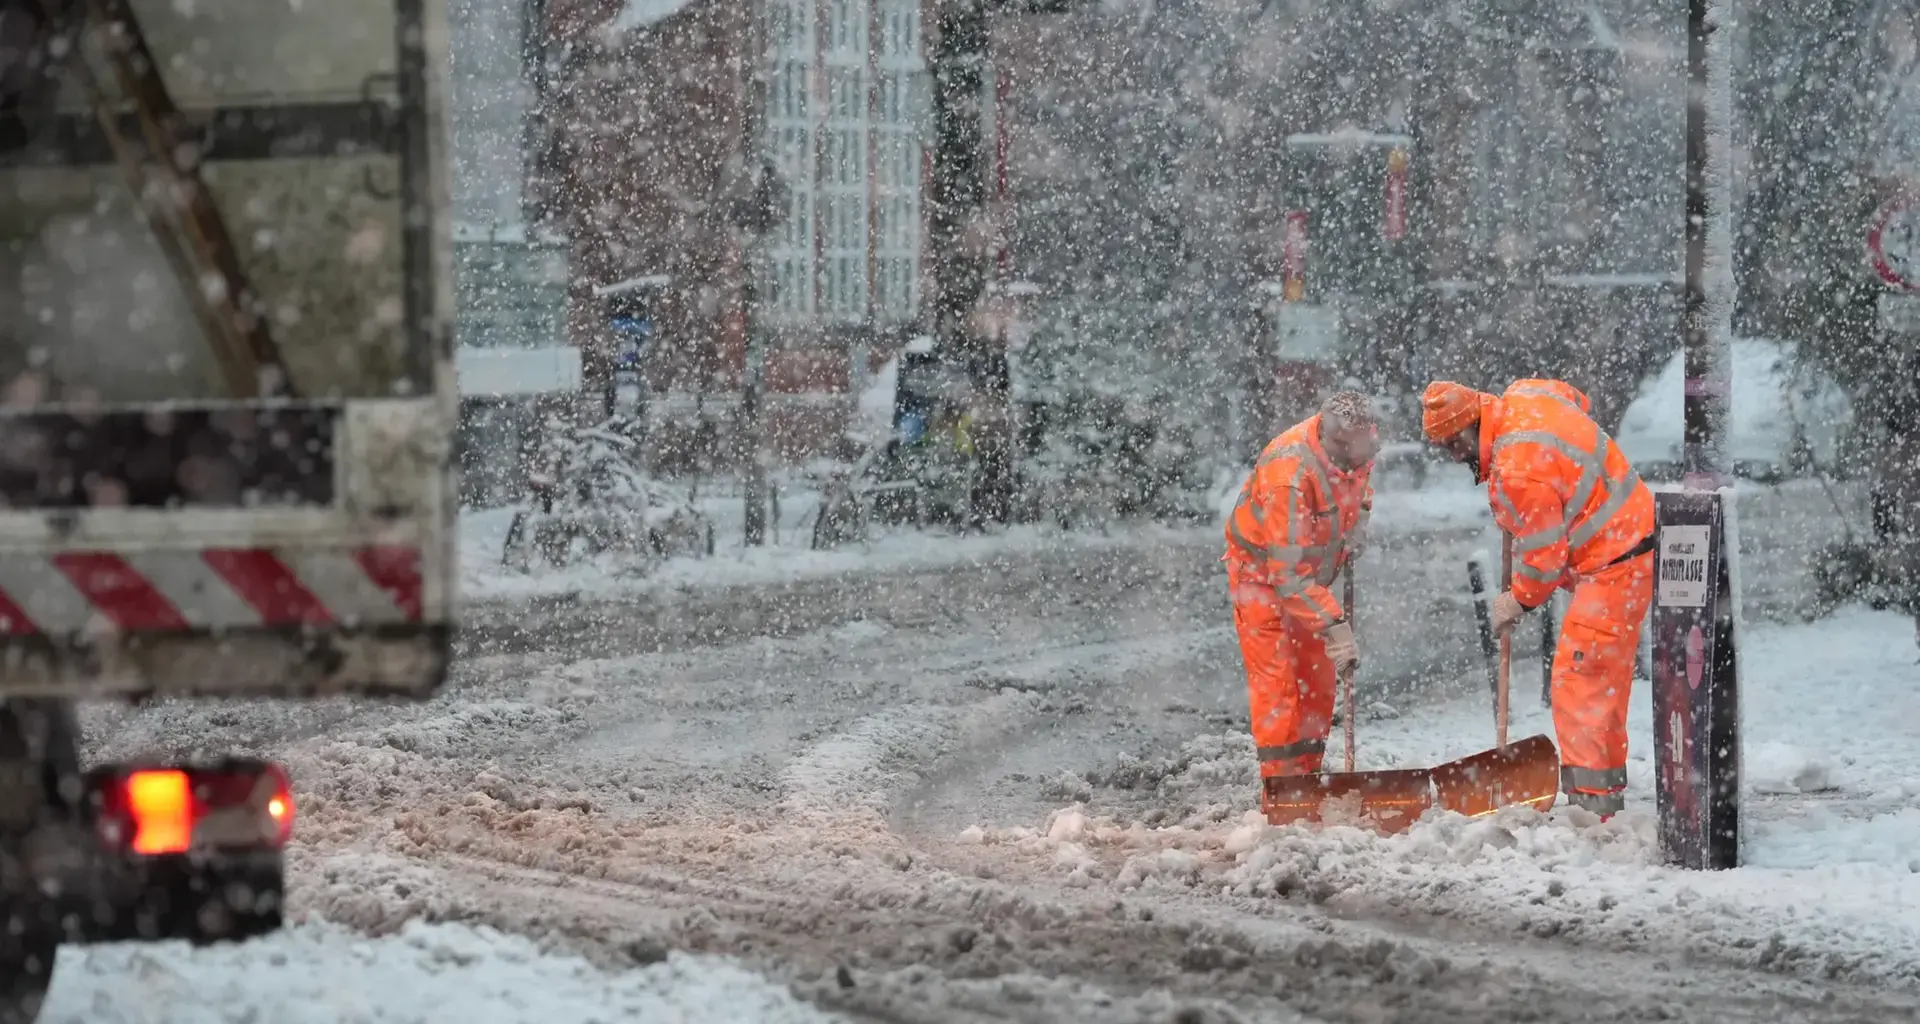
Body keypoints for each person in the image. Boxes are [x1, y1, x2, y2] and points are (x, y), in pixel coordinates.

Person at [1420, 379, 1656, 818]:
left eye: (1455, 443)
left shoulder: (1517, 469)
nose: (1454, 455)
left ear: (1474, 424)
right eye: (1444, 447)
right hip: (1624, 536)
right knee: (1595, 680)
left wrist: (1518, 601)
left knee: (1580, 681)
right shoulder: (1524, 395)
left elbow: (1545, 559)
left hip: (1615, 559)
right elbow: (1576, 399)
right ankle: (1600, 798)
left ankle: (1594, 811)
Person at [1223, 392, 1379, 780]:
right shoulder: (1289, 474)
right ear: (1333, 443)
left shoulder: (1358, 446)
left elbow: (1360, 485)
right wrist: (1334, 624)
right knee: (1278, 690)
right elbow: (1287, 577)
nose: (1364, 460)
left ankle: (1309, 778)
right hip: (1262, 577)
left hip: (1311, 582)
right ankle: (1282, 791)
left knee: (1317, 683)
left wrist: (1359, 518)